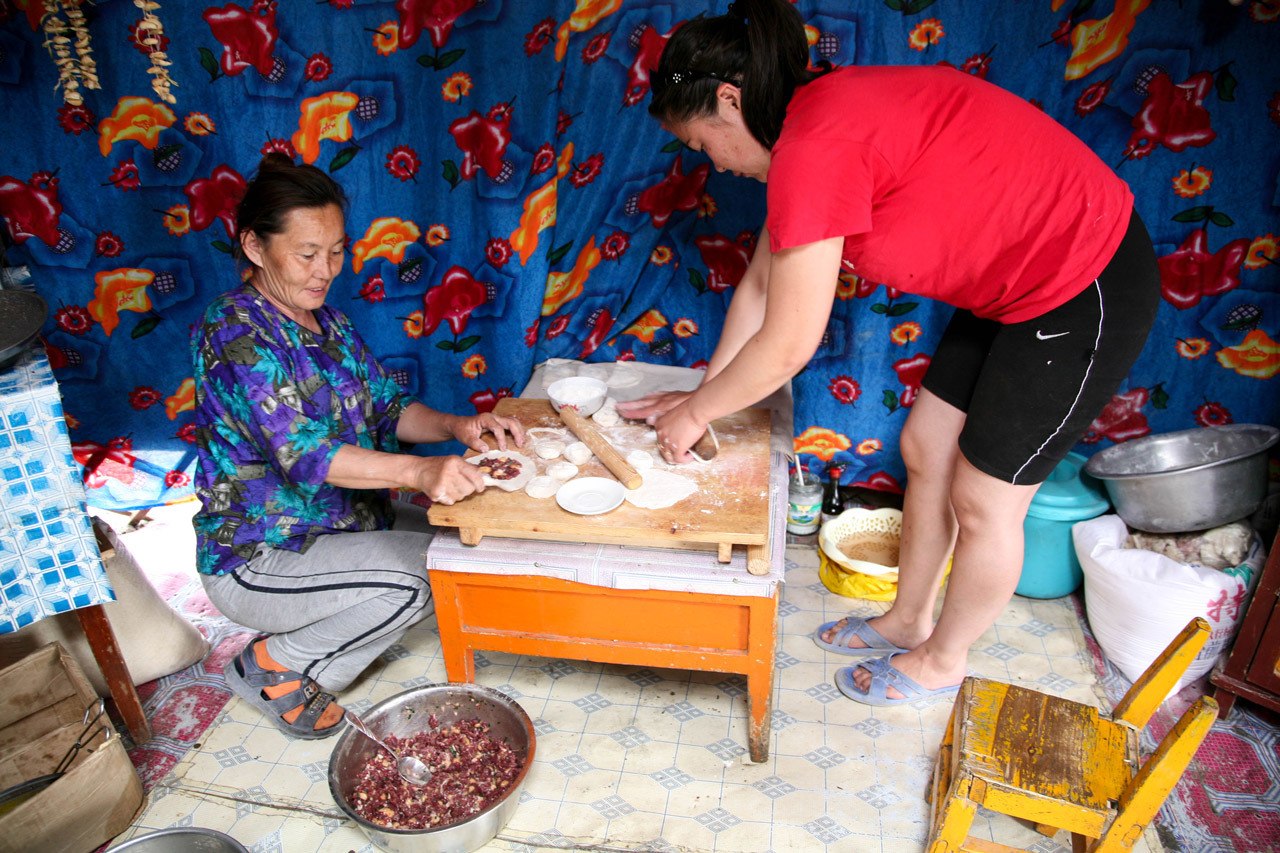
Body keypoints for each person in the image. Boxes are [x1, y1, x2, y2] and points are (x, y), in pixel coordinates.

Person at [617, 0, 1159, 706]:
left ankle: (943, 658)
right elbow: (760, 285)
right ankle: (909, 618)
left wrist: (696, 415)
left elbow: (787, 344)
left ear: (730, 100)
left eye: (702, 144)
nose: (712, 165)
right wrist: (702, 400)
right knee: (927, 444)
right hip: (1013, 283)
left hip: (1083, 279)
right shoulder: (809, 126)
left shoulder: (815, 148)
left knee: (985, 496)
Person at [191, 154, 524, 738]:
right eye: (307, 254)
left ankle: (307, 636)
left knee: (465, 547)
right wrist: (422, 476)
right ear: (253, 246)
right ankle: (275, 664)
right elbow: (308, 455)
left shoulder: (330, 324)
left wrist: (457, 427)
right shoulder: (234, 333)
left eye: (338, 251)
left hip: (345, 523)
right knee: (423, 577)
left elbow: (389, 410)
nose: (326, 270)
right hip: (263, 552)